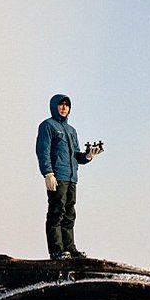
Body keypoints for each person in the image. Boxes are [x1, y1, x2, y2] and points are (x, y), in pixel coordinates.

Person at [35, 94, 102, 260]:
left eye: (67, 105)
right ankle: (57, 250)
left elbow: (76, 156)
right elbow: (43, 151)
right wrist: (48, 173)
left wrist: (88, 156)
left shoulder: (72, 131)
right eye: (61, 104)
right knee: (57, 211)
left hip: (72, 178)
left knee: (69, 213)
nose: (64, 107)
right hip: (58, 175)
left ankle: (70, 248)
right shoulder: (47, 126)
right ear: (54, 106)